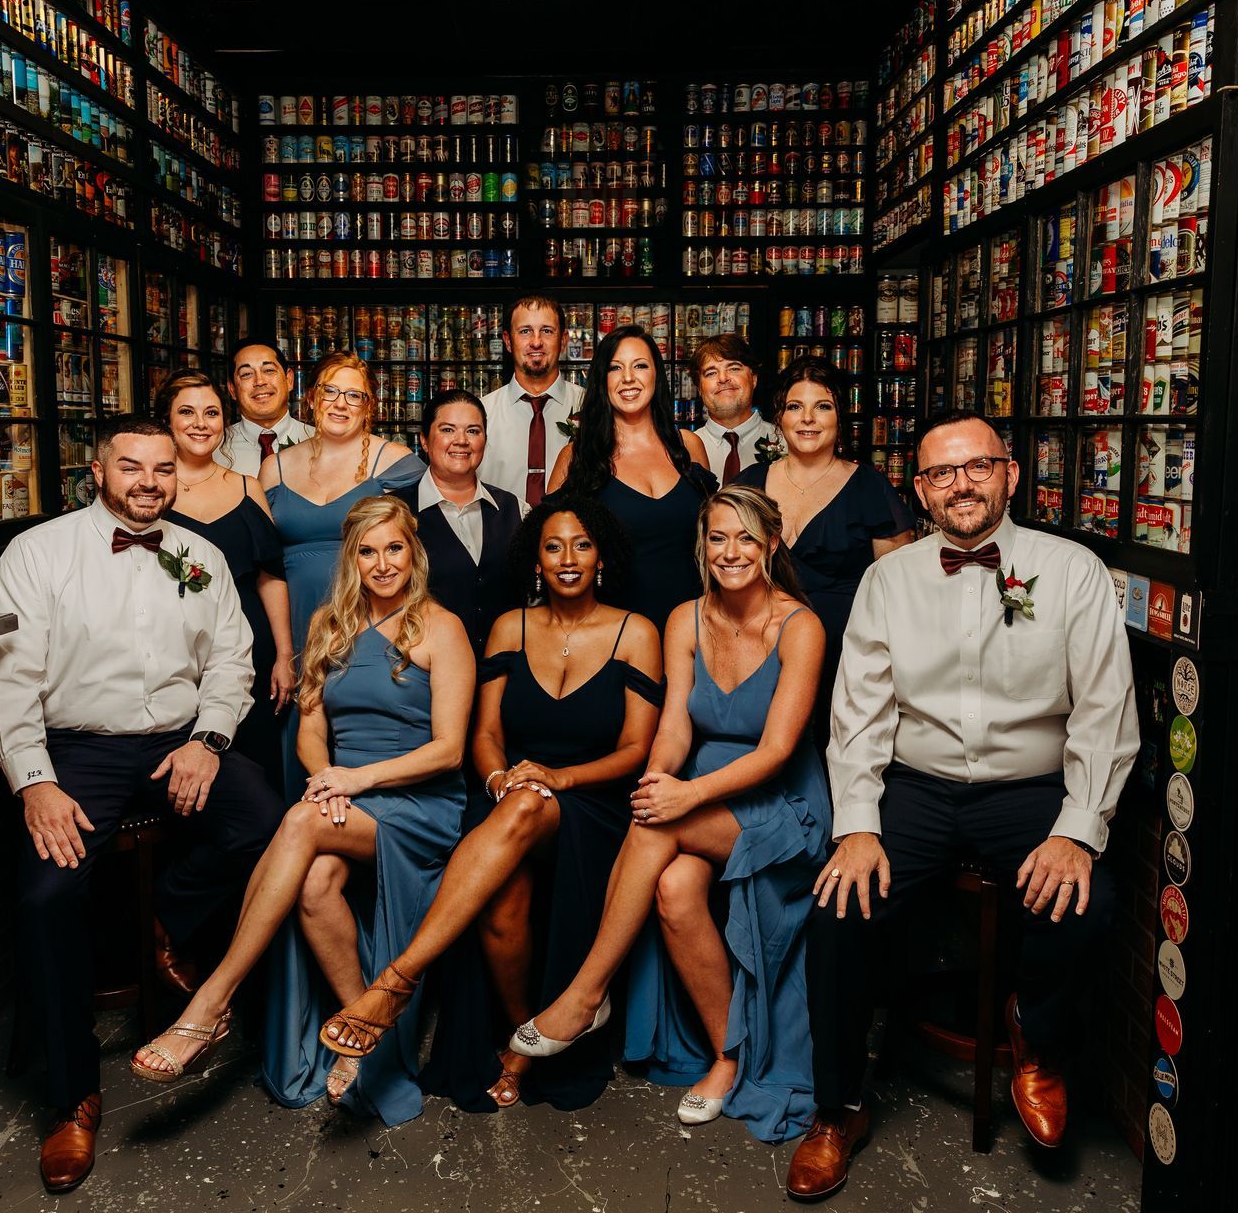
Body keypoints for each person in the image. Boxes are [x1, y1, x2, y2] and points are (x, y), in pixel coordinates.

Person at [787, 412, 1138, 1200]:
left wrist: (1078, 831)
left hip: (1029, 789)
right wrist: (857, 827)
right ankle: (838, 1109)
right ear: (920, 492)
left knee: (1087, 902)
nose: (961, 485)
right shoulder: (891, 579)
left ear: (1010, 474)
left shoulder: (1071, 569)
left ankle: (1038, 1041)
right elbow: (862, 714)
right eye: (942, 474)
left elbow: (1104, 711)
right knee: (836, 913)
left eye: (977, 466)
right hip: (920, 786)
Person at [0, 417, 281, 1195]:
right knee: (49, 892)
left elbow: (232, 662)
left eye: (161, 469)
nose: (148, 481)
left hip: (180, 741)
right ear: (97, 471)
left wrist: (209, 742)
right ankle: (70, 1095)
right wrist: (35, 782)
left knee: (266, 826)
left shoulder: (201, 555)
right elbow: (8, 680)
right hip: (79, 749)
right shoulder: (38, 554)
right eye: (131, 467)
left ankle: (167, 915)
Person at [129, 496, 475, 1128]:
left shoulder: (441, 628)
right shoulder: (328, 626)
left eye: (393, 548)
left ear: (414, 552)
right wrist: (327, 780)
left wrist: (351, 779)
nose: (381, 563)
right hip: (346, 793)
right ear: (352, 557)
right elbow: (311, 734)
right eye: (367, 551)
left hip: (419, 802)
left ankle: (210, 1002)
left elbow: (449, 750)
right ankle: (359, 1028)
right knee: (315, 883)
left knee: (297, 821)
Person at [316, 496, 662, 1112]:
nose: (567, 559)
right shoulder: (510, 626)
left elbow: (637, 747)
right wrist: (500, 776)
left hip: (592, 800)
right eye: (553, 547)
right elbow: (482, 734)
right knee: (504, 906)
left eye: (581, 544)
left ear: (601, 555)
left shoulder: (637, 632)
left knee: (529, 806)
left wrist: (561, 779)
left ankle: (397, 980)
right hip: (510, 793)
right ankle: (526, 1034)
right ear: (536, 559)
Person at [510, 486, 829, 1143]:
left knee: (658, 823)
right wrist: (662, 777)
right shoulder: (686, 618)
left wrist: (682, 799)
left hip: (780, 805)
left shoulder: (801, 627)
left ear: (771, 544)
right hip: (700, 787)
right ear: (701, 546)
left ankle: (586, 993)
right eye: (717, 537)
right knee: (675, 887)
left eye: (745, 537)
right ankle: (728, 1056)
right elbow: (678, 727)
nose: (731, 551)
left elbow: (776, 751)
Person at [260, 354, 422, 791]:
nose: (340, 403)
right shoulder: (274, 467)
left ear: (370, 406)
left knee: (358, 723)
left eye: (354, 395)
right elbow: (266, 563)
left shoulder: (395, 462)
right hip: (294, 622)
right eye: (330, 391)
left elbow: (411, 550)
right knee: (304, 726)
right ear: (311, 398)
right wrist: (282, 650)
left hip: (368, 616)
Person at [736, 360, 915, 698]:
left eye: (823, 406)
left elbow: (900, 593)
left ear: (840, 418)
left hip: (846, 661)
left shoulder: (869, 488)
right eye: (794, 407)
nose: (807, 418)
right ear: (779, 418)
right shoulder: (749, 484)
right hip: (758, 653)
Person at [157, 370, 295, 795]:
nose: (201, 422)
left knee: (255, 771)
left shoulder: (247, 487)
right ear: (167, 422)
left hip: (249, 648)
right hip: (172, 649)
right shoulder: (149, 491)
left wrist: (284, 654)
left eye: (212, 413)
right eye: (187, 412)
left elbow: (271, 576)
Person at [547, 324, 714, 631]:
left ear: (656, 376)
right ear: (602, 380)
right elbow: (550, 553)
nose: (628, 378)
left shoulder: (688, 447)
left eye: (640, 366)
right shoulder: (576, 457)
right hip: (610, 634)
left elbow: (713, 540)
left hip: (694, 627)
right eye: (615, 368)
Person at [386, 389, 524, 654]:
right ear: (425, 440)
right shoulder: (394, 511)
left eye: (473, 431)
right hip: (422, 672)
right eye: (448, 430)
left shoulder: (516, 509)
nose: (461, 441)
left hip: (504, 674)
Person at [480, 294, 583, 506]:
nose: (536, 342)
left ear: (563, 340)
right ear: (508, 341)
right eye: (525, 331)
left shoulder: (591, 406)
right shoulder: (481, 413)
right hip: (500, 538)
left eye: (547, 331)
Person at [217, 339, 315, 475]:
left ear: (289, 380)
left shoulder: (317, 441)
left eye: (268, 370)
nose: (260, 381)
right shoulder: (215, 449)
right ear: (232, 389)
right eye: (246, 374)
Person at [691, 334, 777, 486]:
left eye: (734, 368)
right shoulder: (683, 452)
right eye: (711, 373)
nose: (723, 378)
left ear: (754, 378)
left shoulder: (788, 443)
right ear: (699, 388)